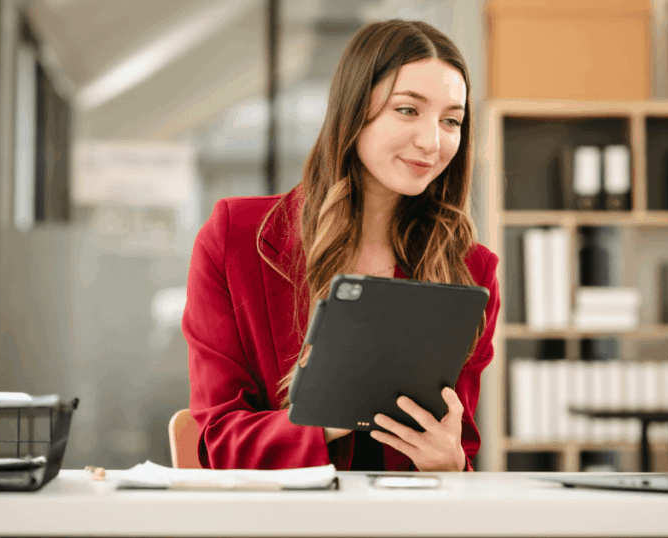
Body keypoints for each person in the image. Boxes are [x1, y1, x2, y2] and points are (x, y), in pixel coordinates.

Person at [183, 19, 499, 472]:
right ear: (353, 108)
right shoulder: (235, 238)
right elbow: (220, 444)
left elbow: (459, 449)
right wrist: (335, 411)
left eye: (451, 120)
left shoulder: (471, 270)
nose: (432, 142)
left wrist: (450, 465)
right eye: (408, 110)